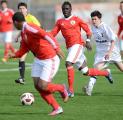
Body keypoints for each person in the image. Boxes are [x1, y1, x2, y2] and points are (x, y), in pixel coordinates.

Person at [10, 12, 68, 116]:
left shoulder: (30, 27)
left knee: (43, 85)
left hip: (50, 59)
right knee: (37, 86)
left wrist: (56, 48)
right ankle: (57, 108)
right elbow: (24, 48)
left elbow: (46, 35)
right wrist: (14, 55)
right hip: (38, 59)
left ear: (16, 22)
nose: (13, 26)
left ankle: (61, 88)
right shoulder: (23, 32)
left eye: (13, 24)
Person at [50, 1, 113, 98]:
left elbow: (88, 30)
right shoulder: (60, 22)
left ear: (71, 9)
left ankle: (70, 91)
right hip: (70, 48)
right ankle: (106, 73)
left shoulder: (76, 19)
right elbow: (53, 34)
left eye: (67, 9)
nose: (65, 10)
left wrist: (87, 41)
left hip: (78, 45)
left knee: (68, 63)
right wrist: (44, 37)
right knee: (85, 71)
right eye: (63, 9)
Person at [83, 10, 123, 96]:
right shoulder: (93, 27)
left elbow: (113, 40)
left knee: (121, 69)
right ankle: (89, 88)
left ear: (100, 19)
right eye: (92, 19)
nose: (93, 21)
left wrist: (109, 52)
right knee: (96, 68)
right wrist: (88, 43)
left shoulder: (105, 27)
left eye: (95, 19)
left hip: (112, 51)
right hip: (101, 53)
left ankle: (107, 73)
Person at [15, 2, 41, 84]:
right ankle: (21, 78)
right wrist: (17, 36)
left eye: (23, 8)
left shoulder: (31, 18)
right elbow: (23, 29)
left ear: (26, 9)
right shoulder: (20, 19)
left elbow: (39, 27)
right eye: (20, 8)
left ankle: (43, 76)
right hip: (25, 43)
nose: (21, 10)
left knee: (40, 59)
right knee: (21, 58)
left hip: (33, 42)